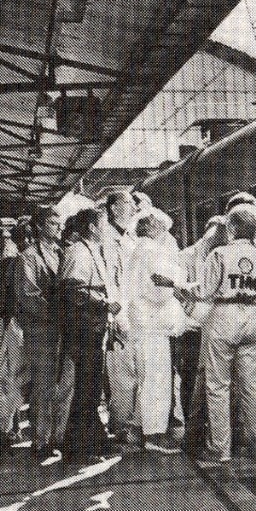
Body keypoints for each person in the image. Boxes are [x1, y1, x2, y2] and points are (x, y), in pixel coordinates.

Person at [174, 207, 256, 473]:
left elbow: (204, 292)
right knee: (253, 386)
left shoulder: (219, 254)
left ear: (230, 229)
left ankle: (220, 449)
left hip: (223, 319)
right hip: (252, 319)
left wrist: (178, 288)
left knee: (218, 386)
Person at [58, 208, 118, 458]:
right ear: (92, 228)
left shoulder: (90, 250)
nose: (107, 229)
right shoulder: (78, 252)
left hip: (93, 329)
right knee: (85, 388)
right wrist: (104, 303)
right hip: (83, 330)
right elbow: (72, 291)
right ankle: (76, 448)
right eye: (104, 225)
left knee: (91, 389)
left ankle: (92, 442)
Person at [127, 208, 187, 454]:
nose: (165, 235)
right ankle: (154, 437)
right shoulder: (151, 250)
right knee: (157, 381)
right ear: (154, 228)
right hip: (153, 324)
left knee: (146, 379)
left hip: (143, 323)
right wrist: (179, 284)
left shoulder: (138, 250)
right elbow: (157, 286)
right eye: (163, 230)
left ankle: (139, 428)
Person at [17, 207, 68, 463]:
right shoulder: (28, 257)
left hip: (60, 328)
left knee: (63, 384)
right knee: (44, 384)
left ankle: (58, 435)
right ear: (39, 227)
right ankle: (40, 439)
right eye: (52, 223)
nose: (58, 228)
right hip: (40, 330)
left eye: (59, 224)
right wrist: (59, 313)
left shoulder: (61, 252)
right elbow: (28, 295)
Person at [174, 214, 225, 451]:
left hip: (217, 327)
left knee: (212, 382)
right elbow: (176, 294)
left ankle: (211, 432)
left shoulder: (223, 254)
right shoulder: (184, 257)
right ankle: (193, 433)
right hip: (192, 327)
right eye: (212, 239)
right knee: (192, 377)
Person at [101, 189, 140, 447]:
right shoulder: (107, 238)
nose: (134, 208)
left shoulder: (127, 237)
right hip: (120, 314)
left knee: (132, 373)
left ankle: (127, 424)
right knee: (122, 374)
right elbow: (110, 281)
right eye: (128, 203)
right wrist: (116, 318)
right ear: (114, 207)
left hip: (133, 312)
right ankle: (121, 426)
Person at [0, 224, 29, 443]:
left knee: (11, 375)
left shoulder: (6, 263)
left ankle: (12, 425)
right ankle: (12, 425)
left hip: (12, 323)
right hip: (15, 324)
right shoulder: (12, 263)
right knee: (13, 375)